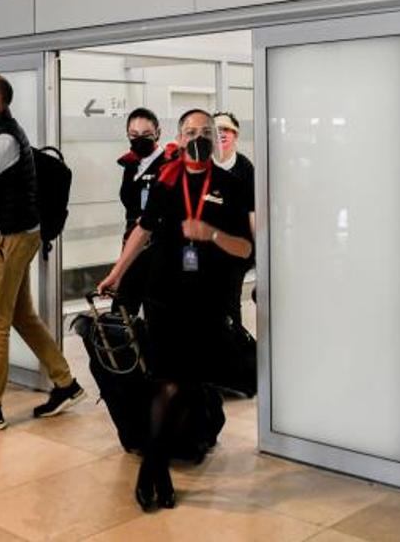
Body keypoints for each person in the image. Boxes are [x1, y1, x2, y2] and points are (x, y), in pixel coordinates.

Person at [99, 109, 253, 511]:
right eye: (191, 132)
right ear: (180, 138)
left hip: (207, 300)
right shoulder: (167, 181)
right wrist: (116, 273)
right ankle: (154, 466)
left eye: (206, 132)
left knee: (187, 383)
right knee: (169, 380)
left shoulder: (231, 184)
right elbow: (143, 229)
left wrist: (213, 234)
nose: (198, 138)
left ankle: (156, 465)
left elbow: (246, 248)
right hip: (164, 295)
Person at [0, 73, 84, 433]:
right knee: (22, 315)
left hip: (11, 239)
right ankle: (65, 382)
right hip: (15, 234)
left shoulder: (4, 140)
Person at [113, 108, 168, 315]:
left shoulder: (168, 165)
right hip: (132, 243)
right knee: (123, 309)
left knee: (155, 309)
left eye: (146, 135)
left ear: (158, 133)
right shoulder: (131, 164)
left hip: (159, 247)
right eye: (133, 136)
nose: (139, 141)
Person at [213, 111, 256, 320]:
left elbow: (253, 212)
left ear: (236, 135)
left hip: (237, 249)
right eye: (216, 130)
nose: (221, 134)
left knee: (231, 302)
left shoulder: (245, 168)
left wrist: (259, 251)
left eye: (227, 130)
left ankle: (235, 345)